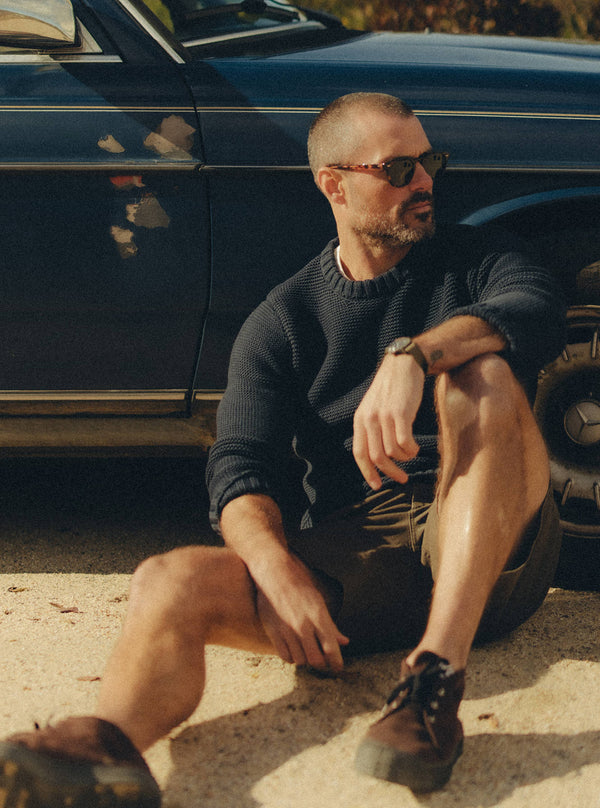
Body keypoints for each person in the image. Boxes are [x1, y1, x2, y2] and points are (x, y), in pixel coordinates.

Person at [0, 92, 566, 806]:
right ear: (334, 183)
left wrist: (413, 357)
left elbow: (538, 312)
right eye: (398, 168)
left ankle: (433, 680)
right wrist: (276, 569)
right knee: (166, 579)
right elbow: (239, 467)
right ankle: (104, 748)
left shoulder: (480, 258)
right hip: (369, 549)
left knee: (476, 373)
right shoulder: (283, 320)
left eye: (429, 162)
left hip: (502, 524)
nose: (423, 182)